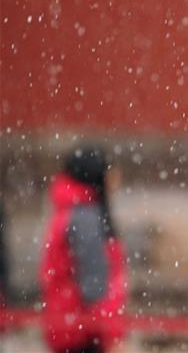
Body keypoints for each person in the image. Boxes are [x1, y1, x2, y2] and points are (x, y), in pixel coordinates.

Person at [40, 145, 127, 353]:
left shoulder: (69, 209)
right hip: (84, 332)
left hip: (67, 325)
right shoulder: (84, 216)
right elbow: (95, 284)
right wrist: (112, 336)